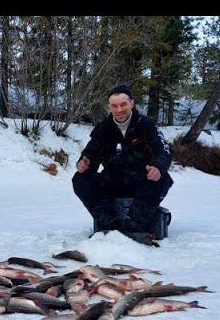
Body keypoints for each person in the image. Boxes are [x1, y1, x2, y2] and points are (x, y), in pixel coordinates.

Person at [72, 84, 173, 238]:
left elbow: (163, 152)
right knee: (80, 179)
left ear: (132, 103)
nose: (119, 109)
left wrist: (158, 167)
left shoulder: (147, 125)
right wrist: (84, 163)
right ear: (109, 107)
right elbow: (90, 154)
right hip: (112, 181)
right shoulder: (103, 129)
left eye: (123, 104)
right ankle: (108, 225)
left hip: (141, 181)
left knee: (163, 178)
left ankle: (134, 227)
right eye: (114, 105)